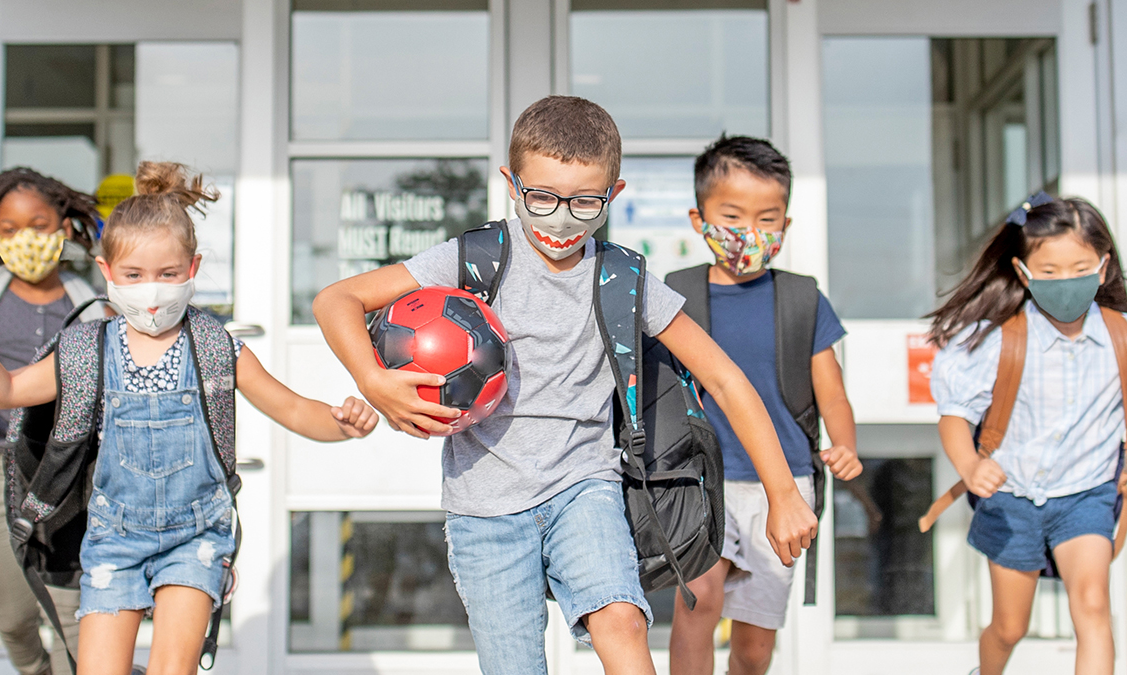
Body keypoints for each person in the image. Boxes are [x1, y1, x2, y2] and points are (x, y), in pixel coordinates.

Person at [312, 95, 819, 675]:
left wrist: (783, 494)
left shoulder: (623, 275)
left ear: (613, 195)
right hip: (485, 507)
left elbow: (725, 380)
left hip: (586, 487)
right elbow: (336, 300)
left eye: (584, 202)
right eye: (543, 197)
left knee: (623, 621)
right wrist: (374, 381)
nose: (560, 218)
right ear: (512, 183)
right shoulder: (478, 257)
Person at [0, 161, 380, 675]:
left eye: (168, 274)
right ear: (106, 271)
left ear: (193, 267)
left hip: (195, 537)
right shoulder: (86, 348)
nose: (152, 290)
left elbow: (293, 409)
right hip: (113, 537)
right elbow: (5, 391)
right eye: (134, 276)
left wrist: (344, 423)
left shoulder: (215, 347)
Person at [927, 195, 1127, 675]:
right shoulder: (998, 339)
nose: (1065, 282)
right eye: (1050, 271)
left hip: (1087, 496)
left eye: (1079, 268)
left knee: (1093, 605)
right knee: (1010, 626)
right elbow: (954, 416)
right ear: (1022, 271)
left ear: (1103, 268)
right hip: (1012, 500)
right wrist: (971, 467)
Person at [666, 136, 861, 675]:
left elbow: (833, 391)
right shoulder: (674, 297)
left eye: (767, 218)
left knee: (753, 647)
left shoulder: (802, 300)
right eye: (732, 214)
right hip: (700, 481)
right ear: (699, 217)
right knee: (699, 600)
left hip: (784, 486)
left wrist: (843, 444)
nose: (749, 231)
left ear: (786, 226)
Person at [0, 168, 105, 675]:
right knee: (14, 615)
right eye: (8, 229)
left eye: (38, 223)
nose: (24, 238)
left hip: (72, 472)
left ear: (63, 227)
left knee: (72, 612)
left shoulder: (96, 307)